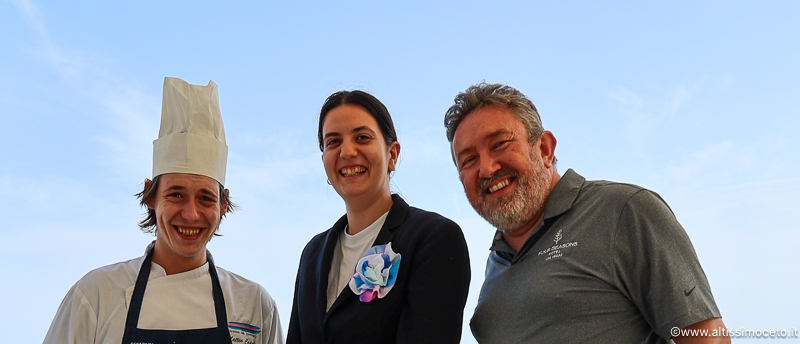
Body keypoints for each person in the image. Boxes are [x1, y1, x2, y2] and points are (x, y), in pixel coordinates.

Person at [444, 82, 729, 344]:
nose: (486, 168)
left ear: (544, 148)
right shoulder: (497, 260)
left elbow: (707, 338)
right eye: (468, 160)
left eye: (500, 144)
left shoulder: (624, 210)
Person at [43, 77, 283, 344]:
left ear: (223, 205)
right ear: (151, 196)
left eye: (205, 198)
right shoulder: (96, 296)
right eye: (176, 194)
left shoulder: (255, 307)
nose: (191, 214)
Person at [287, 90, 471, 344]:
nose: (347, 152)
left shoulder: (433, 239)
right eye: (333, 142)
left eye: (362, 137)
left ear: (392, 155)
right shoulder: (312, 255)